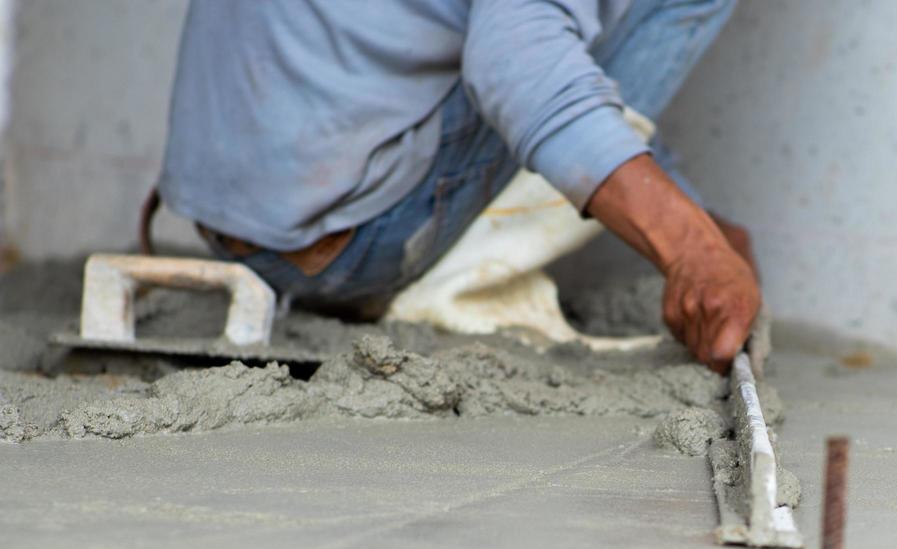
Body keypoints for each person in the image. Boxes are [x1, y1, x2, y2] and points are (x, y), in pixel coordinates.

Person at [155, 0, 759, 373]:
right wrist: (693, 249)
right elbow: (520, 67)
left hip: (236, 227)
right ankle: (449, 282)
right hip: (354, 240)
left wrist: (690, 211)